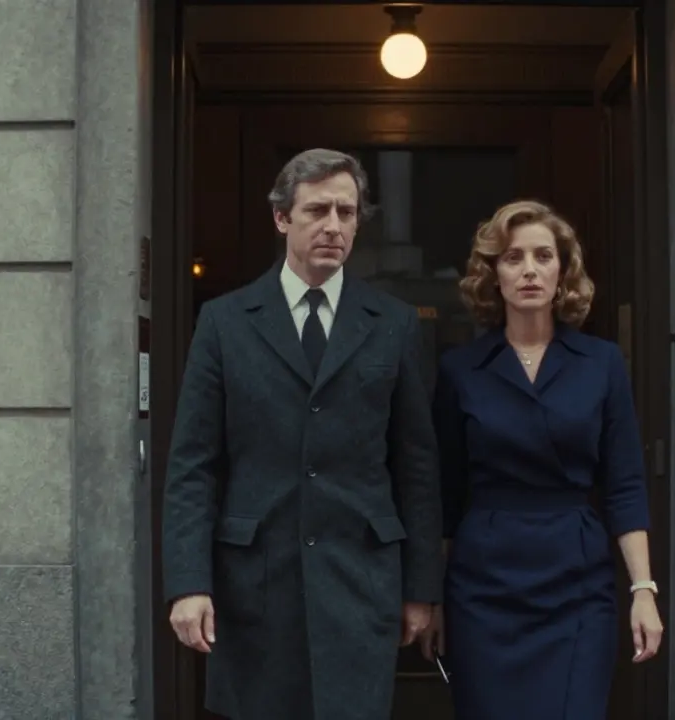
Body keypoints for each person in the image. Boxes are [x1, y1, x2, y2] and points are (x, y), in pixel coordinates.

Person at [162, 148, 443, 720]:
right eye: (317, 211)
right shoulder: (224, 322)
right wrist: (189, 582)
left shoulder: (392, 323)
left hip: (360, 580)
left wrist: (421, 588)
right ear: (282, 218)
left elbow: (415, 463)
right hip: (255, 585)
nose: (334, 226)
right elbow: (193, 464)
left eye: (347, 212)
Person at [419, 200, 664, 720]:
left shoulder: (602, 364)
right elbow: (442, 494)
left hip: (576, 583)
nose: (529, 269)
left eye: (543, 256)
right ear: (494, 276)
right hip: (483, 585)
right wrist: (432, 594)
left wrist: (643, 590)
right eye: (513, 258)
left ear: (563, 271)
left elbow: (624, 484)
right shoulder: (462, 370)